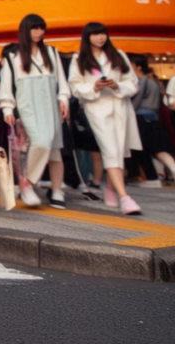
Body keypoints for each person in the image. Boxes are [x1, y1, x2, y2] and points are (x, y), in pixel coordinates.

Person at [0, 14, 71, 209]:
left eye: (41, 29)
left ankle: (57, 190)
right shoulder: (13, 56)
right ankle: (26, 183)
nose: (39, 33)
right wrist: (7, 107)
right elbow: (6, 86)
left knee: (55, 150)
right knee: (41, 141)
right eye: (35, 29)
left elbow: (61, 80)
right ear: (25, 31)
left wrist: (64, 99)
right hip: (28, 107)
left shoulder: (51, 52)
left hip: (51, 107)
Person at [68, 22, 142, 215]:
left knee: (118, 150)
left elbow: (133, 82)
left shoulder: (119, 55)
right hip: (97, 109)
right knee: (110, 149)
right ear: (87, 37)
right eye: (95, 35)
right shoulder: (79, 59)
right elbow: (75, 87)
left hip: (121, 107)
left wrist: (117, 86)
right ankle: (125, 198)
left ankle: (110, 188)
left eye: (103, 34)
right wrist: (94, 87)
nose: (100, 38)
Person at [128, 55, 175, 186]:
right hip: (154, 118)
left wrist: (128, 111)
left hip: (140, 118)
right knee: (157, 148)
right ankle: (174, 167)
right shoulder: (154, 83)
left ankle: (152, 178)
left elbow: (136, 102)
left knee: (141, 149)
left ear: (138, 67)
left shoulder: (141, 82)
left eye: (131, 65)